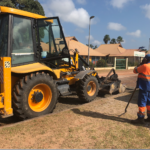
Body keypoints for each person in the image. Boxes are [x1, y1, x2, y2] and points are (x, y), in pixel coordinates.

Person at [132, 54, 150, 124]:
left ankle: (140, 118)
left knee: (142, 102)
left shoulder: (144, 66)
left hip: (144, 87)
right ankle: (149, 117)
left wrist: (141, 64)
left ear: (146, 59)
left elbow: (135, 70)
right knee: (149, 102)